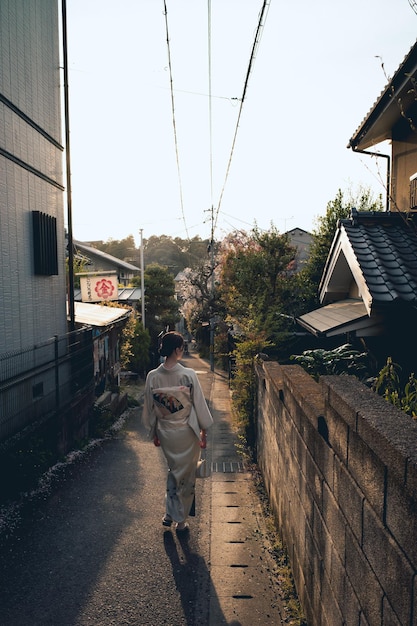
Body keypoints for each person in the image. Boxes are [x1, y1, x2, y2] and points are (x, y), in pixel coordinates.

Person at [142, 331, 213, 532]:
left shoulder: (152, 376)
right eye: (181, 348)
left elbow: (150, 408)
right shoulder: (187, 375)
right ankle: (180, 521)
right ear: (176, 349)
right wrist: (204, 432)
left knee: (174, 470)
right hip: (187, 433)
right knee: (186, 476)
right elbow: (198, 404)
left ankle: (168, 513)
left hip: (166, 432)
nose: (182, 351)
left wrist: (155, 432)